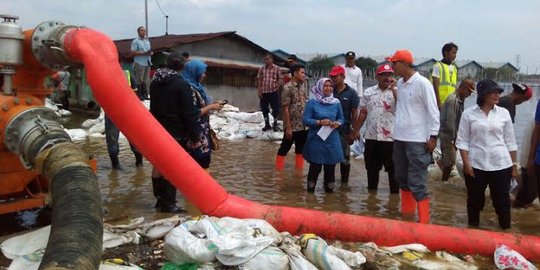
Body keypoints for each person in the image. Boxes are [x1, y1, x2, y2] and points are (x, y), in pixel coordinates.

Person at [149, 53, 222, 213]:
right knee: (171, 167)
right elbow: (189, 114)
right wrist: (195, 136)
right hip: (175, 131)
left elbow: (153, 107)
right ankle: (169, 203)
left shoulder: (155, 81)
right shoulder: (181, 85)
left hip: (157, 130)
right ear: (182, 66)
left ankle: (160, 200)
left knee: (158, 165)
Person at [456, 79, 518, 230]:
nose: (497, 95)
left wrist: (514, 165)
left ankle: (506, 232)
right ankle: (473, 231)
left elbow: (510, 141)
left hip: (501, 164)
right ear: (483, 94)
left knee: (502, 202)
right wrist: (466, 163)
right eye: (494, 92)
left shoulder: (503, 113)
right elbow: (462, 141)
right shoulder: (468, 114)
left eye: (498, 92)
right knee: (474, 201)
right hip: (476, 165)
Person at [387, 49, 440, 224]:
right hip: (400, 138)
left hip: (418, 140)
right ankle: (407, 218)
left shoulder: (423, 84)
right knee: (402, 178)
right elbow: (402, 107)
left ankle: (424, 223)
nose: (392, 67)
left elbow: (433, 111)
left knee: (417, 182)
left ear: (403, 63)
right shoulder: (401, 84)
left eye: (394, 63)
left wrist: (433, 137)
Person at [355, 64, 399, 194]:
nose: (387, 77)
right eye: (384, 75)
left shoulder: (397, 91)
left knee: (394, 171)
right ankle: (372, 199)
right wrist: (356, 130)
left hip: (391, 138)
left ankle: (394, 200)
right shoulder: (369, 92)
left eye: (389, 74)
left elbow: (404, 106)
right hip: (372, 137)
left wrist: (394, 89)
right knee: (372, 170)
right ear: (377, 76)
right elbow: (363, 112)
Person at [181, 59, 226, 169]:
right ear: (194, 72)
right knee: (197, 165)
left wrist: (213, 104)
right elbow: (193, 113)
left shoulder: (197, 87)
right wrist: (211, 107)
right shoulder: (189, 89)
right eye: (202, 72)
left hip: (202, 132)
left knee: (204, 164)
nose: (204, 75)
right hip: (194, 135)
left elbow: (200, 106)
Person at [303, 78, 344, 193]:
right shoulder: (312, 102)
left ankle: (329, 199)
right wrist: (319, 122)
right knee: (315, 167)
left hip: (332, 140)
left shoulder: (336, 102)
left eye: (330, 86)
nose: (328, 88)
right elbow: (306, 120)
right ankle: (310, 195)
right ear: (320, 87)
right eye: (325, 86)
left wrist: (338, 123)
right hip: (316, 140)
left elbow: (341, 118)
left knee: (330, 168)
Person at [437, 79, 476, 181]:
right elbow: (450, 122)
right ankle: (443, 183)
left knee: (449, 160)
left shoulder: (460, 99)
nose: (469, 95)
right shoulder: (453, 100)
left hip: (452, 134)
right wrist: (454, 139)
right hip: (448, 135)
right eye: (469, 92)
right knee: (450, 163)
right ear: (462, 88)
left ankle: (441, 163)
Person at [329, 65, 359, 183]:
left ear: (343, 76)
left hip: (344, 131)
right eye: (331, 76)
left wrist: (353, 131)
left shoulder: (352, 93)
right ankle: (329, 182)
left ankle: (344, 184)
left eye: (336, 76)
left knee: (345, 159)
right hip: (329, 130)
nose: (333, 79)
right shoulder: (329, 91)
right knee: (329, 158)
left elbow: (354, 113)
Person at [275, 64, 308, 170]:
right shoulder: (287, 87)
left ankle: (299, 171)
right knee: (285, 147)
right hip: (292, 125)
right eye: (302, 72)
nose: (304, 75)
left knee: (301, 149)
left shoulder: (303, 86)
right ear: (295, 73)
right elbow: (285, 108)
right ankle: (278, 172)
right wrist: (288, 127)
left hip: (302, 125)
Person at [257, 53, 283, 131]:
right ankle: (267, 124)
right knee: (264, 108)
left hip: (273, 92)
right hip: (264, 92)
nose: (266, 61)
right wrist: (259, 90)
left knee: (275, 108)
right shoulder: (262, 69)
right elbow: (259, 80)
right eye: (265, 59)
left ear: (272, 60)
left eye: (268, 59)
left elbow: (280, 79)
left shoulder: (276, 68)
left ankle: (275, 124)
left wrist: (277, 87)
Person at [432, 43, 458, 107]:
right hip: (441, 103)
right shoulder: (438, 66)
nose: (455, 55)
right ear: (446, 52)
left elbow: (454, 86)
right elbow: (435, 86)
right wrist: (438, 103)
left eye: (456, 53)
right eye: (453, 53)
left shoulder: (454, 68)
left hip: (452, 103)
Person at [131, 26, 153, 101]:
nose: (143, 32)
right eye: (142, 30)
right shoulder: (135, 41)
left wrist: (150, 53)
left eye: (144, 30)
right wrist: (143, 53)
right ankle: (139, 95)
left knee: (146, 80)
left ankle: (145, 94)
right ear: (138, 32)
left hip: (148, 61)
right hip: (139, 62)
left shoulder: (147, 41)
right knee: (139, 79)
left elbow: (149, 50)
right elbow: (132, 52)